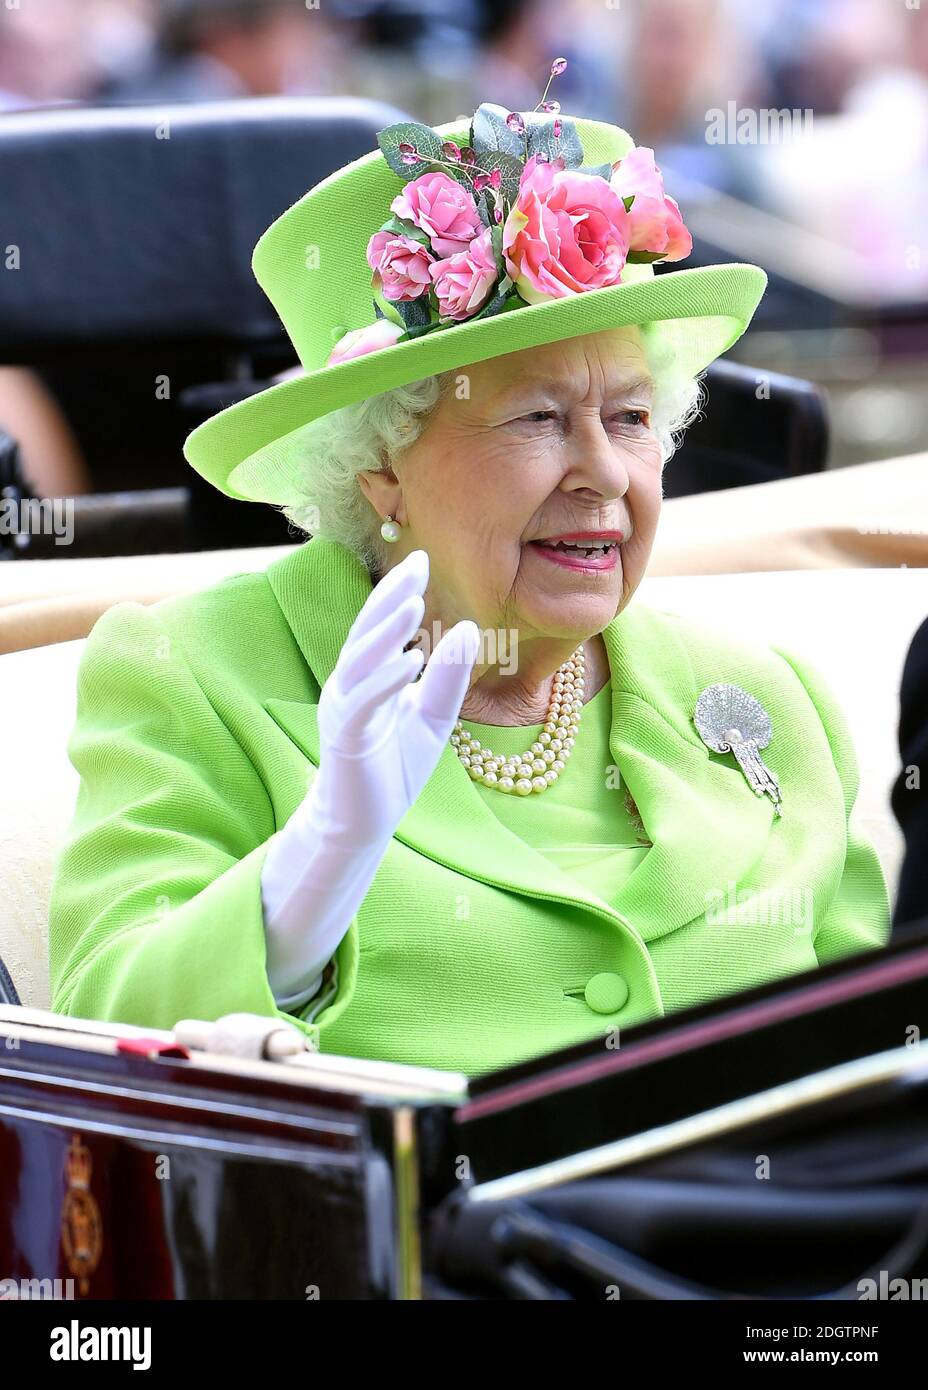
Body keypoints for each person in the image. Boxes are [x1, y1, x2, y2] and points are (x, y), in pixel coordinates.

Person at [46, 68, 890, 1077]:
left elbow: (880, 1069)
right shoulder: (194, 674)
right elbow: (107, 1037)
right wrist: (308, 876)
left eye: (628, 417)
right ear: (380, 468)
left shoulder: (768, 694)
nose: (605, 473)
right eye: (537, 419)